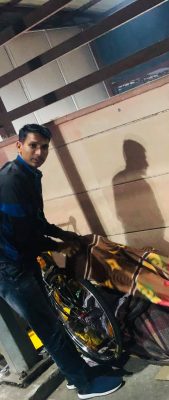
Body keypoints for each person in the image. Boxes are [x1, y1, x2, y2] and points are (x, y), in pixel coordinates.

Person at [0, 124, 123, 398]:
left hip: (21, 258)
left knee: (50, 319)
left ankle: (73, 373)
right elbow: (25, 236)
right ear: (19, 146)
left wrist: (64, 235)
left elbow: (37, 221)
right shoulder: (10, 182)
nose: (39, 152)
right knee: (48, 326)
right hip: (9, 268)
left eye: (44, 147)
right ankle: (84, 385)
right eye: (33, 145)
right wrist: (58, 246)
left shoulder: (30, 175)